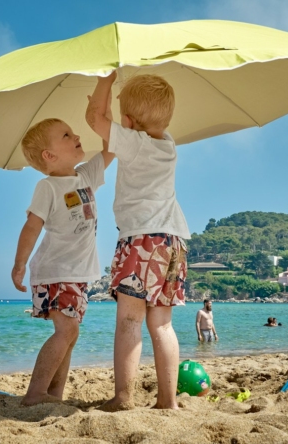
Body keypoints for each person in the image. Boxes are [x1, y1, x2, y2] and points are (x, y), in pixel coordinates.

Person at [86, 72, 190, 411]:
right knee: (162, 324)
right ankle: (168, 402)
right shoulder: (168, 144)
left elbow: (94, 119)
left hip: (141, 240)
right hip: (173, 241)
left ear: (129, 122)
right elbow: (110, 127)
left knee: (130, 320)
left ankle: (124, 397)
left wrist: (105, 82)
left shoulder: (134, 142)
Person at [11, 116, 113, 406]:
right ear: (49, 156)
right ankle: (35, 394)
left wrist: (103, 114)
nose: (76, 135)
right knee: (66, 330)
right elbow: (32, 226)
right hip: (55, 270)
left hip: (78, 274)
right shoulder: (48, 187)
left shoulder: (86, 176)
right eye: (66, 135)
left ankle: (53, 395)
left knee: (71, 334)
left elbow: (111, 149)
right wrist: (20, 264)